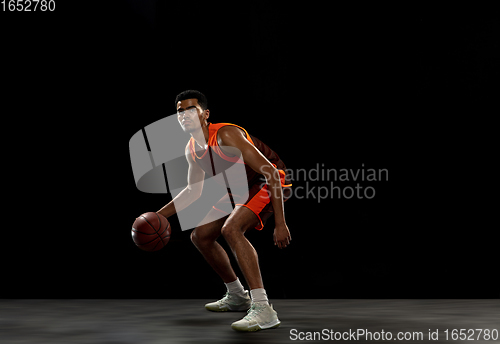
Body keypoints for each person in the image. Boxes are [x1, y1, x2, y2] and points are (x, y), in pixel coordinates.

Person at [157, 90, 292, 332]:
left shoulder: (225, 134)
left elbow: (271, 172)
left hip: (267, 180)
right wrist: (159, 216)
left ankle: (264, 309)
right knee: (200, 236)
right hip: (239, 186)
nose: (184, 115)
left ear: (205, 114)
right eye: (179, 111)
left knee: (231, 229)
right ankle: (237, 295)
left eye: (190, 110)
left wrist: (280, 224)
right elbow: (193, 191)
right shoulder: (192, 148)